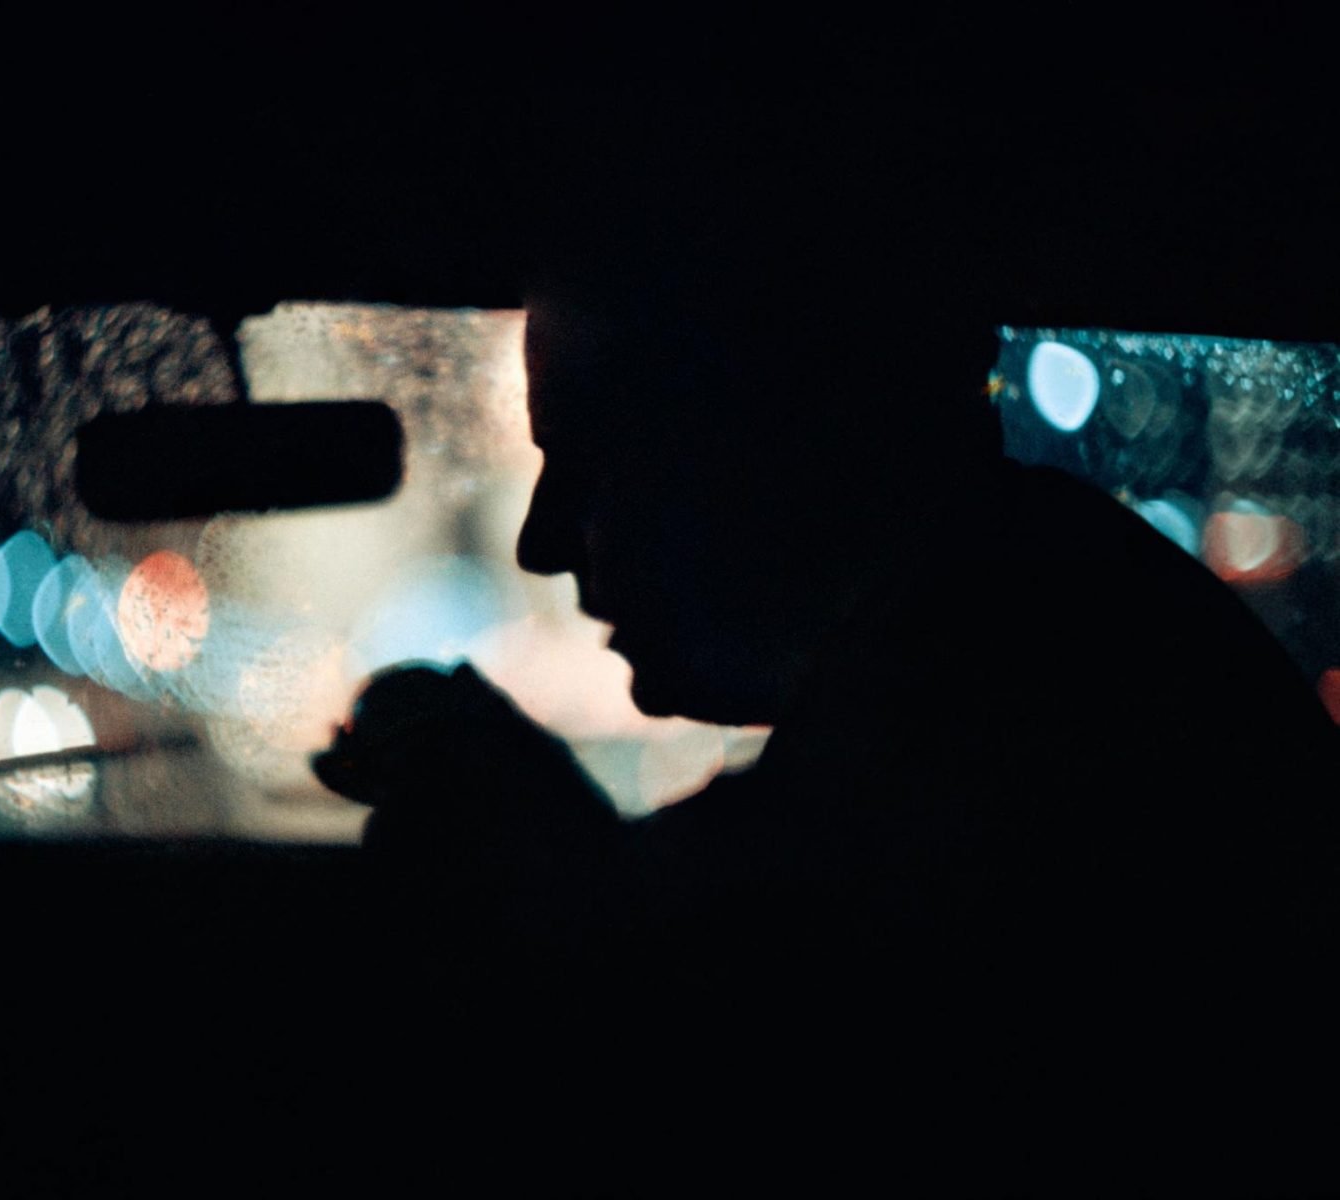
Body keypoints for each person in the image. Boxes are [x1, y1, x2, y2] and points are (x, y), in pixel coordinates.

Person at [314, 64, 1337, 1193]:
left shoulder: (1008, 702)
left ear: (778, 447)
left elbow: (716, 1015)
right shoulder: (1038, 631)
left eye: (597, 452)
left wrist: (535, 845)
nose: (542, 544)